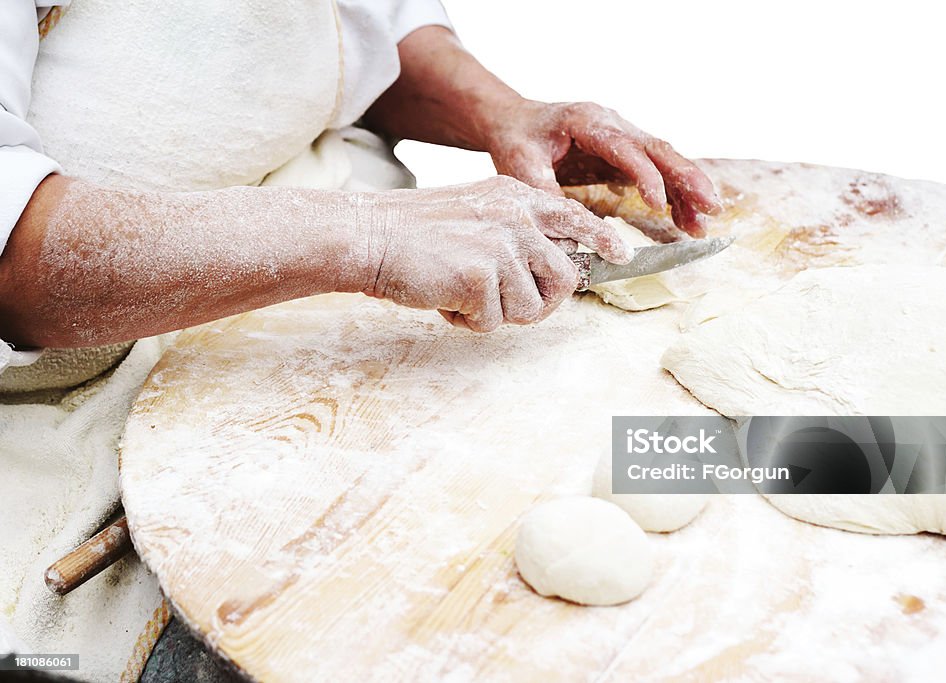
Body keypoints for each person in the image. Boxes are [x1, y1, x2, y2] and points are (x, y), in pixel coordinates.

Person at [0, 1, 721, 680]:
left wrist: (504, 114)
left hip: (319, 304)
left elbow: (359, 31)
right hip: (77, 394)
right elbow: (13, 260)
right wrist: (369, 236)